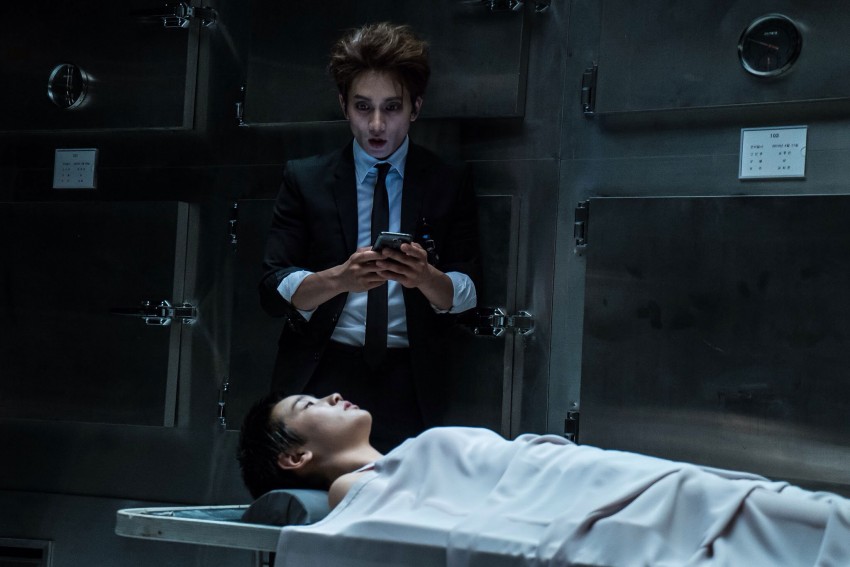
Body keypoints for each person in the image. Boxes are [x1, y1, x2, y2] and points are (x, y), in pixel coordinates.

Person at [238, 392, 850, 566]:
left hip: (604, 480)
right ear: (295, 458)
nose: (333, 395)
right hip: (591, 512)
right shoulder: (356, 490)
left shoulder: (402, 459)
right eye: (308, 404)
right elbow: (467, 523)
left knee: (771, 508)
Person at [258, 22, 481, 453]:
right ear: (344, 106)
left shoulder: (446, 181)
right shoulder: (306, 179)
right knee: (311, 490)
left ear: (415, 108)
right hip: (321, 374)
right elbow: (272, 288)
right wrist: (340, 279)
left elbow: (469, 292)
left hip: (412, 380)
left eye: (391, 108)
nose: (376, 124)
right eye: (363, 107)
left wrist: (425, 277)